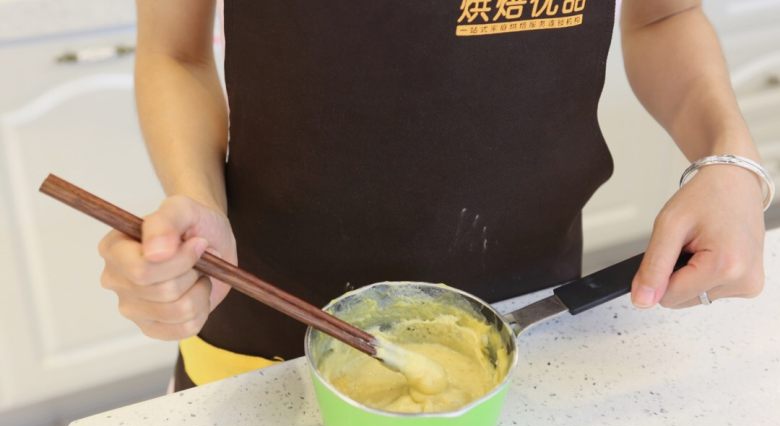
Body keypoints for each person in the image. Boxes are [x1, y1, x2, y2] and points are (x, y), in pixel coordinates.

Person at [98, 0, 770, 391]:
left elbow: (664, 15)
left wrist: (730, 161)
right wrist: (197, 202)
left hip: (529, 326)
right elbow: (176, 51)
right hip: (267, 333)